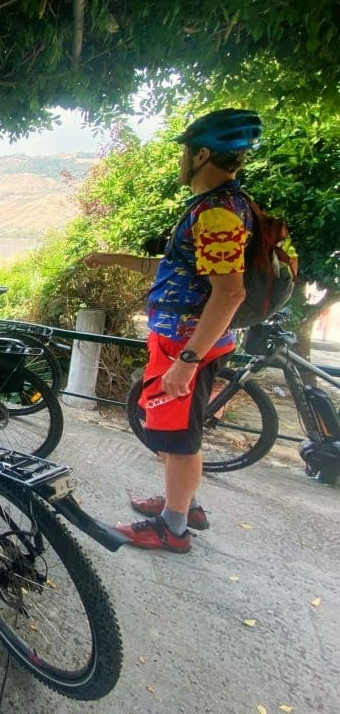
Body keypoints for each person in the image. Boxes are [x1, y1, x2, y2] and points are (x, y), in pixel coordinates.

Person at [80, 108, 262, 553]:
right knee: (167, 428)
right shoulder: (213, 207)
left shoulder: (218, 213)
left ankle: (173, 528)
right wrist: (111, 258)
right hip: (180, 340)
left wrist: (187, 361)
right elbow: (176, 267)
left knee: (179, 440)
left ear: (202, 154)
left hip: (187, 343)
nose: (182, 160)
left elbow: (229, 293)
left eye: (186, 151)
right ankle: (182, 502)